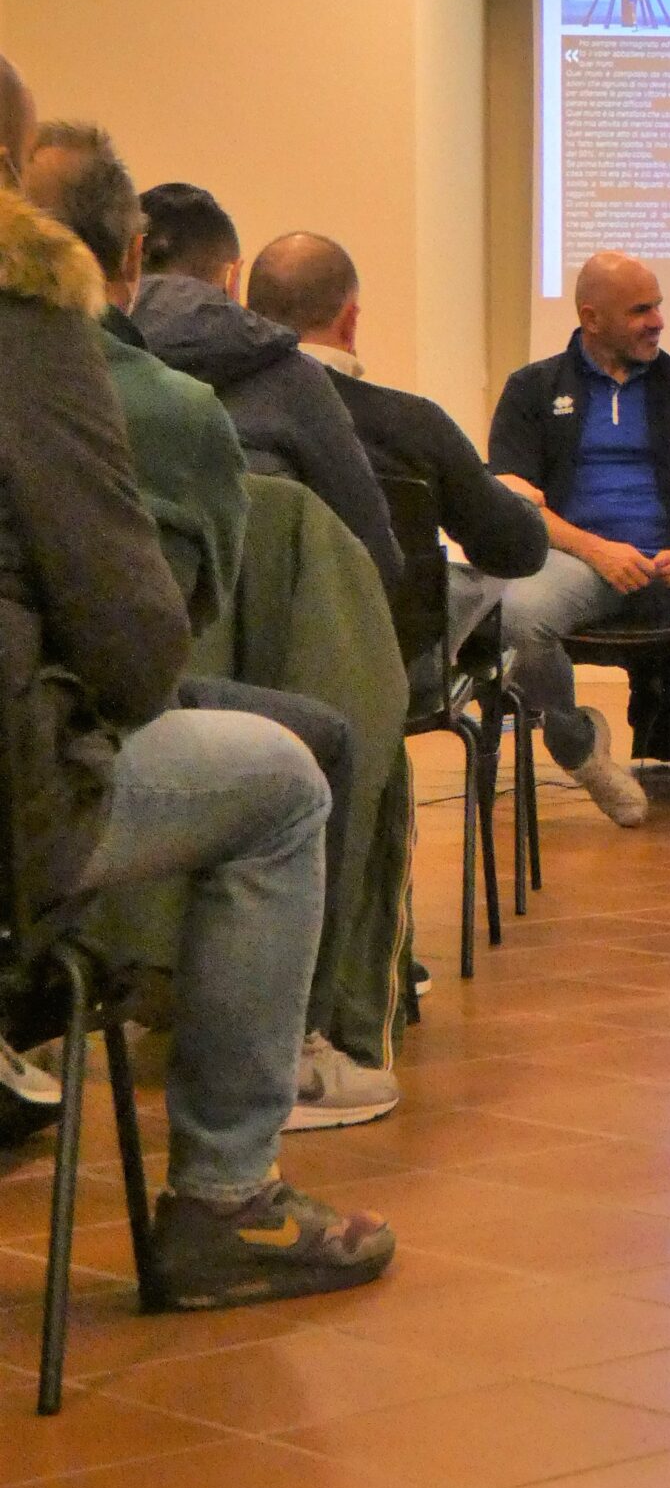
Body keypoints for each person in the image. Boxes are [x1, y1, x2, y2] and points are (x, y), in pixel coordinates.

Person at [0, 64, 392, 1301]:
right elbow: (130, 641)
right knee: (283, 779)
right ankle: (227, 1201)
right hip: (10, 793)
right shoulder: (32, 327)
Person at [484, 251, 670, 824]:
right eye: (640, 311)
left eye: (658, 307)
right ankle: (578, 746)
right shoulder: (532, 389)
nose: (657, 322)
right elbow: (512, 499)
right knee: (518, 615)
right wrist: (597, 551)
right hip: (575, 564)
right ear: (591, 318)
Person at [244, 230, 548, 660]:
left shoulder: (215, 414)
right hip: (393, 663)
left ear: (247, 313)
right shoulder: (415, 424)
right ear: (350, 321)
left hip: (252, 658)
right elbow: (517, 552)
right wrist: (511, 499)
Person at [134, 183, 402, 593]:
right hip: (261, 624)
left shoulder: (74, 364)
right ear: (233, 278)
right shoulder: (294, 381)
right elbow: (373, 560)